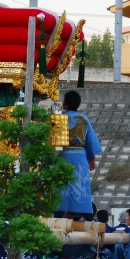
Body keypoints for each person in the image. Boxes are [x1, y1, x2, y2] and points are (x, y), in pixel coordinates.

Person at [55, 90, 102, 218]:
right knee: (79, 183)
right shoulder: (83, 119)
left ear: (65, 104)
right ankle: (80, 212)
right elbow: (90, 141)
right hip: (79, 156)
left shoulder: (58, 117)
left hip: (61, 155)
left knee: (61, 183)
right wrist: (92, 159)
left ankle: (58, 209)